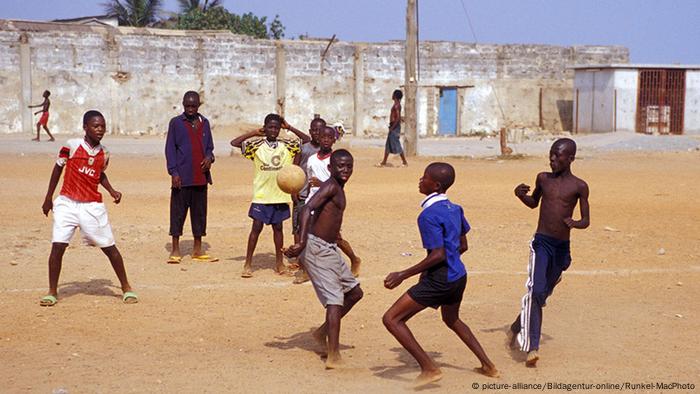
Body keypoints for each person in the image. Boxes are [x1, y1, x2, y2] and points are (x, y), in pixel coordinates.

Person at [382, 162, 498, 387]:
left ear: (435, 185)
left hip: (441, 278)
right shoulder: (455, 209)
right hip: (458, 276)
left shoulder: (427, 216)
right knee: (452, 319)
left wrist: (403, 274)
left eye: (424, 177)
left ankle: (429, 368)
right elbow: (462, 246)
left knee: (392, 319)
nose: (420, 179)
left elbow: (438, 255)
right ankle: (488, 365)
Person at [39, 110, 137, 306]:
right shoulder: (71, 146)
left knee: (109, 247)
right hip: (67, 202)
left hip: (92, 205)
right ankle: (52, 291)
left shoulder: (104, 153)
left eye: (103, 126)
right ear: (85, 127)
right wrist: (49, 197)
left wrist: (112, 190)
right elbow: (58, 168)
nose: (100, 130)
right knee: (58, 246)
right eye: (96, 126)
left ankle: (126, 287)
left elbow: (98, 174)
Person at [508, 138, 590, 367]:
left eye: (558, 155)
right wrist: (519, 195)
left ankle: (517, 325)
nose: (552, 158)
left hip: (561, 248)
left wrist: (574, 223)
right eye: (551, 154)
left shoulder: (579, 186)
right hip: (542, 243)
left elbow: (586, 220)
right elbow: (533, 203)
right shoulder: (543, 179)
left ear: (571, 158)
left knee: (541, 295)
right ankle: (532, 347)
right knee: (535, 291)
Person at [284, 149, 363, 369]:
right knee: (335, 300)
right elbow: (307, 208)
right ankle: (333, 355)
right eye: (340, 166)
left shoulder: (337, 187)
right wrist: (300, 242)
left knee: (355, 293)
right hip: (317, 249)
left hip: (329, 248)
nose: (345, 170)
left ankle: (321, 333)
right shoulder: (330, 186)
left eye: (349, 166)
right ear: (331, 168)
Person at [231, 114, 309, 278]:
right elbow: (235, 143)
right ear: (265, 128)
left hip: (279, 194)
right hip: (262, 195)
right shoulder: (256, 146)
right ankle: (248, 263)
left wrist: (290, 127)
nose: (273, 130)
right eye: (270, 127)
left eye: (276, 127)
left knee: (278, 228)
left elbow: (307, 139)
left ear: (280, 129)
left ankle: (279, 263)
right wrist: (254, 132)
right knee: (256, 228)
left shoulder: (287, 145)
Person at [293, 126, 362, 285]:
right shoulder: (311, 159)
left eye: (329, 137)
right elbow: (309, 180)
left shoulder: (337, 160)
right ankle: (304, 270)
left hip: (329, 203)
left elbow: (339, 185)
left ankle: (354, 259)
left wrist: (322, 184)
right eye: (322, 136)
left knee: (335, 237)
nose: (325, 140)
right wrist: (303, 192)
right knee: (305, 232)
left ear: (334, 140)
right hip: (313, 199)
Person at [165, 91, 217, 264]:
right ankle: (175, 249)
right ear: (183, 105)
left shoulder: (205, 123)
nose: (190, 109)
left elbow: (210, 148)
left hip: (200, 177)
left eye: (193, 106)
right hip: (182, 178)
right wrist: (174, 172)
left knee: (199, 214)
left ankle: (197, 249)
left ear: (198, 106)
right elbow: (170, 149)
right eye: (187, 105)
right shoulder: (176, 123)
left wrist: (209, 158)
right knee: (178, 213)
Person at [377, 89, 407, 167]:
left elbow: (397, 118)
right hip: (393, 126)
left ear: (395, 96)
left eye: (393, 94)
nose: (392, 95)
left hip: (394, 127)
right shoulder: (396, 105)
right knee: (388, 145)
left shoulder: (397, 105)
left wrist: (392, 128)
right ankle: (384, 162)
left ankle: (404, 162)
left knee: (396, 144)